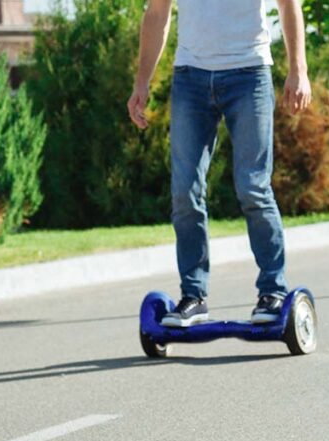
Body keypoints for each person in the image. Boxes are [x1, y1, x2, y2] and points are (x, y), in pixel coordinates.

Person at [127, 0, 312, 327]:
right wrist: (142, 81)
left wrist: (299, 70)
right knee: (184, 193)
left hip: (249, 73)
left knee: (253, 187)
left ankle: (273, 291)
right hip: (190, 78)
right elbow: (157, 13)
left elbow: (288, 5)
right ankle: (193, 296)